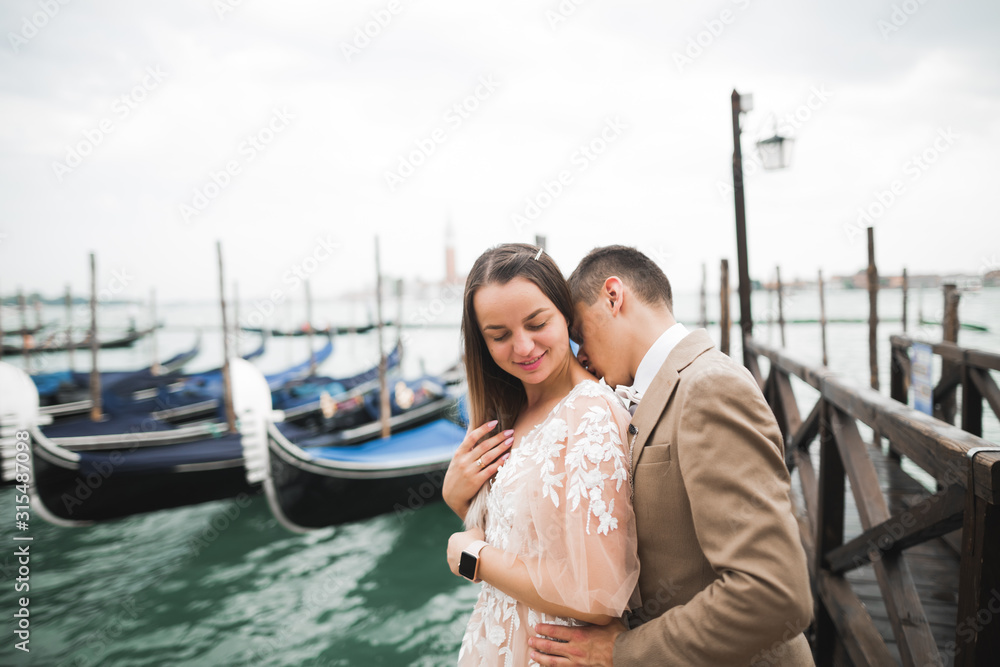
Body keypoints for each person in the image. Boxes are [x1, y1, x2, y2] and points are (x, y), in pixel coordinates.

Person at [525, 245, 814, 666]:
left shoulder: (709, 386)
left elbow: (774, 595)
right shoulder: (656, 388)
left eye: (579, 334)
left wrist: (622, 651)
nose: (580, 354)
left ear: (613, 296)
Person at [443, 243, 640, 667]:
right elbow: (518, 536)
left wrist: (473, 558)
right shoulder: (511, 413)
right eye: (499, 335)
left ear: (564, 314)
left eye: (537, 323)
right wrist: (457, 497)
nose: (523, 347)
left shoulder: (589, 412)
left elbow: (597, 593)